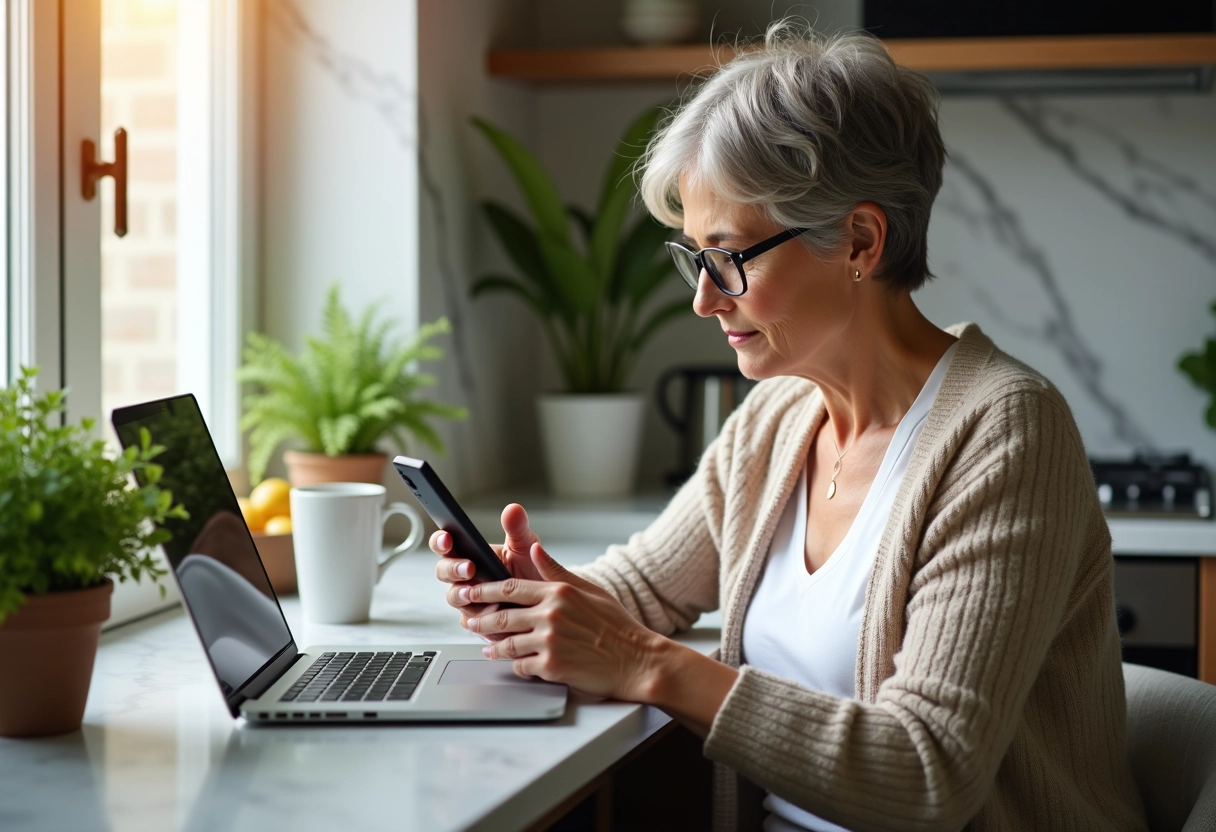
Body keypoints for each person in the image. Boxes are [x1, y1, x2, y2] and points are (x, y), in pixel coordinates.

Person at [432, 23, 1146, 832]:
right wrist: (527, 592)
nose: (703, 299)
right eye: (693, 257)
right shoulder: (777, 417)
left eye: (729, 257)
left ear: (859, 240)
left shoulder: (1005, 433)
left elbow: (927, 774)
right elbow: (646, 590)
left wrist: (642, 664)